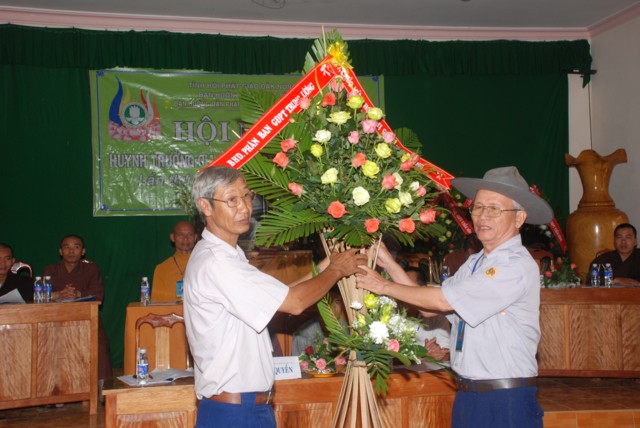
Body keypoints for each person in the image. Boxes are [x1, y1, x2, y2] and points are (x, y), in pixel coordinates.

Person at [356, 166, 552, 428]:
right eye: (478, 207)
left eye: (494, 209)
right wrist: (389, 264)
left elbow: (442, 301)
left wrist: (383, 286)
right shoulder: (475, 262)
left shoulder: (514, 264)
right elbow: (429, 307)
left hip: (504, 399)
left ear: (519, 218)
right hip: (468, 394)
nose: (483, 216)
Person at [183, 166, 367, 428]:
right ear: (206, 206)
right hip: (234, 413)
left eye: (247, 196)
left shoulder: (227, 254)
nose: (244, 207)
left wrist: (328, 262)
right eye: (232, 200)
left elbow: (281, 296)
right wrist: (336, 271)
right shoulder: (217, 262)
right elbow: (295, 303)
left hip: (248, 408)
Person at [42, 234, 113, 381]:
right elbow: (39, 296)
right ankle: (53, 387)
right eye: (66, 247)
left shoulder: (91, 268)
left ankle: (102, 387)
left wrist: (78, 294)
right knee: (46, 347)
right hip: (56, 320)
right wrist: (58, 294)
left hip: (86, 319)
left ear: (83, 251)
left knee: (99, 347)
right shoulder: (51, 270)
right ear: (60, 251)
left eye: (76, 247)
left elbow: (98, 294)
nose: (71, 251)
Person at [404, 266, 450, 361]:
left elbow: (446, 354)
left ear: (423, 289)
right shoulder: (387, 313)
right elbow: (386, 356)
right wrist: (421, 357)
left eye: (408, 287)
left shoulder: (436, 315)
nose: (403, 291)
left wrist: (436, 354)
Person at [151, 221, 198, 301]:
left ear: (195, 237)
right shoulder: (162, 269)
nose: (185, 239)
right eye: (181, 235)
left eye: (190, 235)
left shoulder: (203, 264)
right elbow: (156, 303)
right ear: (173, 237)